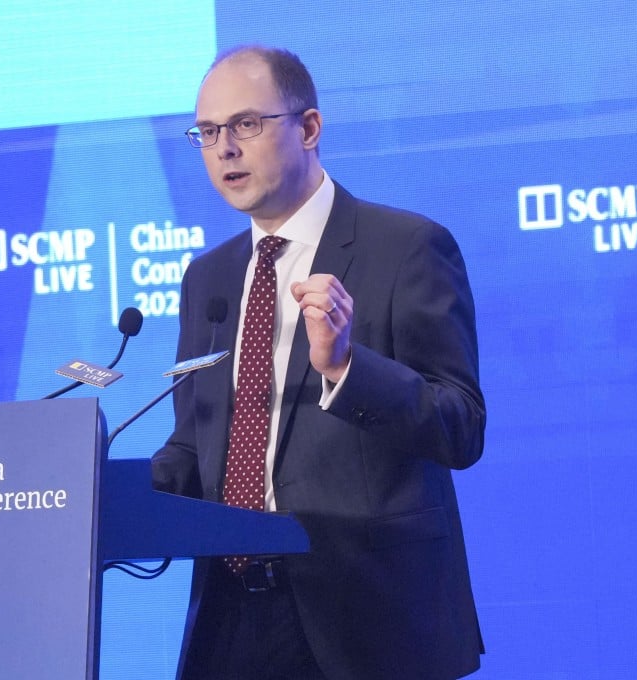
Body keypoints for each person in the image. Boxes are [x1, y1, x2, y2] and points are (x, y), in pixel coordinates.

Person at [152, 44, 485, 680]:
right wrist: (105, 490)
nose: (225, 149)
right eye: (208, 132)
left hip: (370, 621)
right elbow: (196, 444)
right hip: (231, 618)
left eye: (246, 124)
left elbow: (461, 426)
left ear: (308, 128)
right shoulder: (208, 277)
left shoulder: (407, 248)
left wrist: (346, 369)